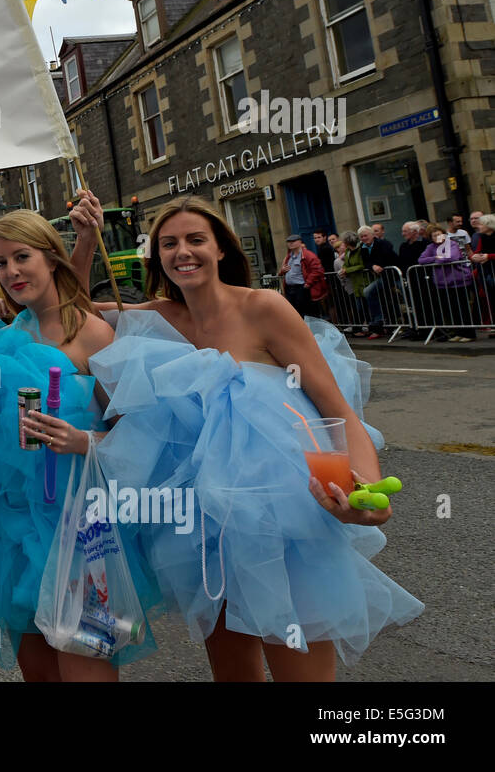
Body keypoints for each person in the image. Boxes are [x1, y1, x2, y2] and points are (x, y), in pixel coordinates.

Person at [83, 196, 422, 680]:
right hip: (203, 529)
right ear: (156, 256)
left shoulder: (263, 308)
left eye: (196, 239)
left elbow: (338, 412)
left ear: (221, 248)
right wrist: (84, 241)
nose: (183, 252)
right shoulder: (153, 319)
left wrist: (366, 488)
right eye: (169, 243)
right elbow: (66, 309)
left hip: (284, 522)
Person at [0, 202, 160, 681]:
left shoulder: (94, 333)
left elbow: (140, 433)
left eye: (22, 257)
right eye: (0, 263)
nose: (11, 272)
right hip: (14, 532)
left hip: (83, 532)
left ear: (50, 259)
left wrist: (86, 441)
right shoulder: (3, 335)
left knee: (87, 671)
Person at [418, 223, 476, 342]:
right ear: (431, 237)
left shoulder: (451, 244)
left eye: (439, 234)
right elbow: (421, 260)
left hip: (458, 280)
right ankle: (458, 332)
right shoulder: (430, 247)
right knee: (452, 308)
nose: (438, 237)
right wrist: (436, 258)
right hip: (442, 282)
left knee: (462, 307)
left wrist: (439, 259)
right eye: (434, 235)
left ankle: (469, 334)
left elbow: (452, 257)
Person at [358, 225, 397, 339]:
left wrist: (377, 264)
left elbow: (386, 256)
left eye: (366, 235)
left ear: (372, 235)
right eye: (362, 237)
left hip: (393, 275)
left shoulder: (383, 244)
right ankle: (378, 323)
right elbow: (366, 262)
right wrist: (373, 266)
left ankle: (409, 324)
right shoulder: (362, 247)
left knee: (402, 297)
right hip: (381, 278)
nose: (364, 238)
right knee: (369, 292)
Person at [279, 234, 328, 318]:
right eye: (289, 242)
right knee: (295, 313)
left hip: (301, 288)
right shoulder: (288, 256)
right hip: (290, 289)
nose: (290, 244)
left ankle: (311, 330)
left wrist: (308, 283)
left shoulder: (308, 255)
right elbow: (281, 272)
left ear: (299, 242)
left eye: (293, 241)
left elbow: (318, 270)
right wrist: (282, 271)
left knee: (307, 313)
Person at [337, 231, 371, 336]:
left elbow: (362, 265)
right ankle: (359, 329)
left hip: (364, 281)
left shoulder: (361, 250)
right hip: (355, 283)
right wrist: (343, 270)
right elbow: (346, 264)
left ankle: (370, 328)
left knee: (366, 306)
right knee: (359, 307)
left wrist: (348, 270)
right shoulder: (347, 252)